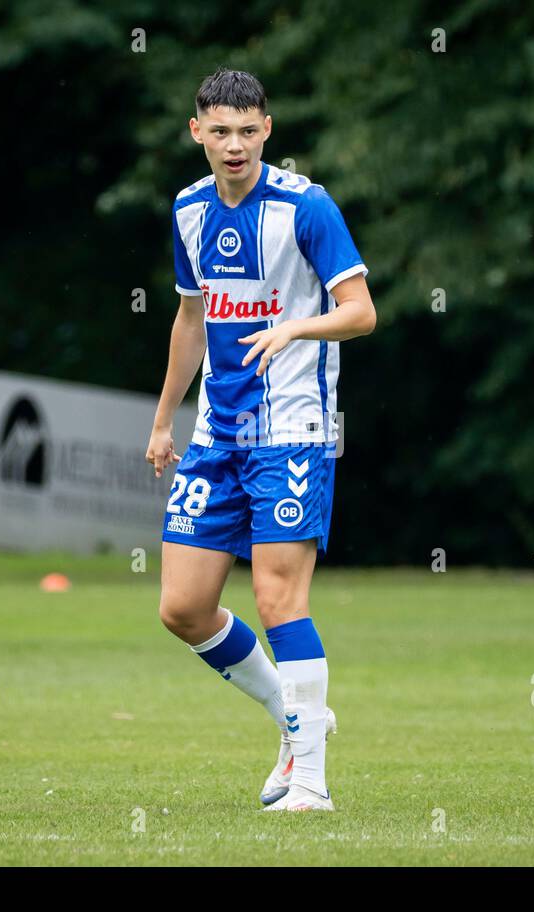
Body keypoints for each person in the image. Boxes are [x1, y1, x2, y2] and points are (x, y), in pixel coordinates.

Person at [145, 69, 376, 811]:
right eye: (220, 131)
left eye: (248, 130)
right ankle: (296, 715)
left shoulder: (307, 207)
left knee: (279, 599)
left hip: (294, 429)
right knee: (182, 607)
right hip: (218, 432)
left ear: (267, 130)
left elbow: (361, 311)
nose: (235, 144)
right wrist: (162, 420)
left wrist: (296, 325)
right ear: (197, 132)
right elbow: (190, 319)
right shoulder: (187, 209)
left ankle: (309, 779)